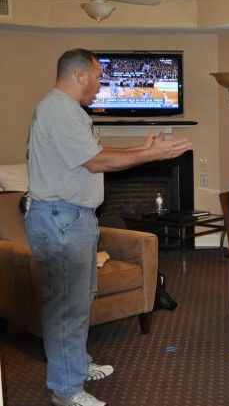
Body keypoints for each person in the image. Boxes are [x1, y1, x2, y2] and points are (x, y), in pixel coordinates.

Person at [25, 49, 191, 406]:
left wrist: (139, 148)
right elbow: (96, 161)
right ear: (81, 76)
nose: (101, 84)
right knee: (67, 308)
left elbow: (92, 153)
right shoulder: (60, 110)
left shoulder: (65, 109)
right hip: (61, 219)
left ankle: (76, 365)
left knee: (79, 301)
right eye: (99, 77)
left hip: (70, 218)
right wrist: (150, 155)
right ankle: (67, 390)